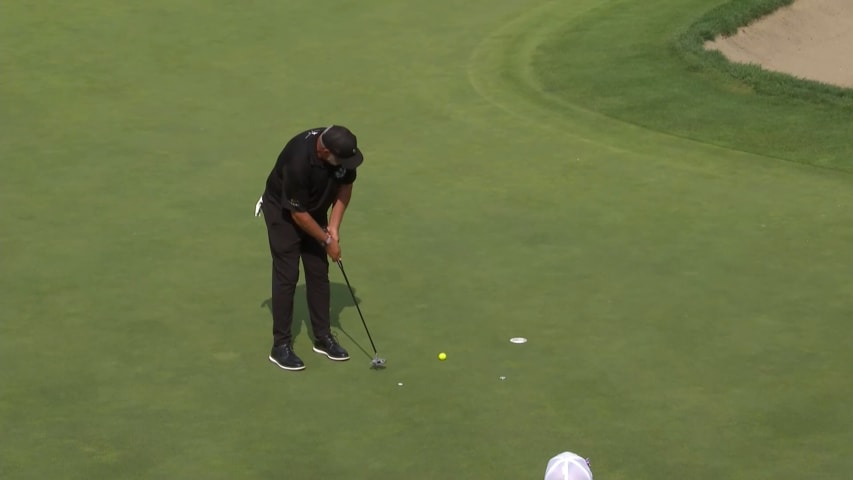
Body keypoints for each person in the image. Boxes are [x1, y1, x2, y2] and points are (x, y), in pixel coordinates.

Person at [256, 125, 364, 371]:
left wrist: (333, 228)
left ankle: (322, 337)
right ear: (325, 151)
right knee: (288, 274)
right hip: (284, 212)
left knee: (317, 270)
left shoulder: (342, 150)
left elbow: (346, 187)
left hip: (313, 208)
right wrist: (326, 242)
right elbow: (298, 214)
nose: (347, 163)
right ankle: (280, 345)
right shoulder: (298, 159)